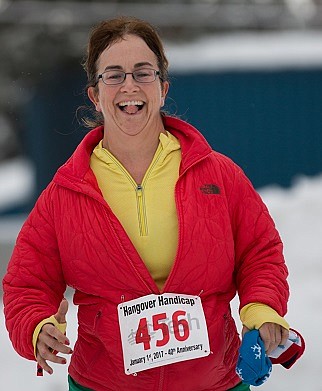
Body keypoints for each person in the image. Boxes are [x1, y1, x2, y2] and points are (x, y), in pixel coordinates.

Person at [3, 16, 291, 391]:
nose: (129, 86)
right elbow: (26, 283)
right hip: (103, 385)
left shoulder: (219, 177)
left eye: (143, 73)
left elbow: (260, 252)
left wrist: (263, 308)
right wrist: (37, 326)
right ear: (95, 93)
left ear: (162, 87)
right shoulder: (65, 194)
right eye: (113, 74)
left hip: (215, 382)